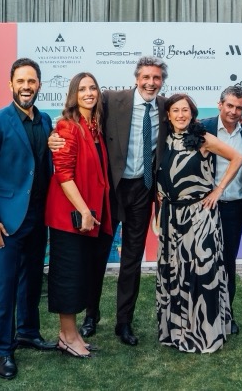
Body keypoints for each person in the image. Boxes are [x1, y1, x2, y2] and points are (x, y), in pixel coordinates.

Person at [50, 56, 168, 346]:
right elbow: (77, 113)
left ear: (162, 81)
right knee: (96, 256)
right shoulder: (112, 99)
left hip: (143, 190)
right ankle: (91, 316)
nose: (151, 83)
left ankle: (124, 322)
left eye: (156, 78)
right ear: (136, 78)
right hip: (111, 191)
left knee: (132, 259)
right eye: (146, 77)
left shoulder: (166, 107)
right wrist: (53, 135)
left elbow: (188, 117)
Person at [0, 58, 56, 380]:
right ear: (10, 84)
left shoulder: (45, 120)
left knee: (32, 279)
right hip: (6, 221)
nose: (26, 86)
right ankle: (5, 350)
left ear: (39, 85)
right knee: (7, 286)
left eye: (31, 81)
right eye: (21, 81)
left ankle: (28, 332)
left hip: (37, 216)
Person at [156, 93, 242, 353]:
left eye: (185, 110)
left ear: (192, 114)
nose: (180, 115)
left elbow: (237, 158)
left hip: (199, 217)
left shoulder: (202, 138)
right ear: (168, 114)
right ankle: (176, 332)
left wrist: (218, 190)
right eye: (175, 110)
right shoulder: (163, 140)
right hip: (171, 217)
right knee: (175, 272)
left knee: (202, 274)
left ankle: (204, 334)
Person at [46, 72, 112, 359]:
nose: (88, 93)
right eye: (82, 89)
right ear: (73, 94)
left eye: (93, 87)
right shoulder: (67, 127)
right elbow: (63, 174)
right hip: (69, 217)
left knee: (80, 275)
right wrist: (84, 210)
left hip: (88, 216)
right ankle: (68, 336)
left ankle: (69, 336)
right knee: (68, 277)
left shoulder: (94, 127)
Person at [201, 85, 242, 335]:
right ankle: (203, 316)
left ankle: (226, 315)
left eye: (239, 108)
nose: (233, 111)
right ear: (220, 104)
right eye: (229, 105)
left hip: (234, 209)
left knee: (227, 264)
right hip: (205, 209)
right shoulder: (203, 128)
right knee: (203, 264)